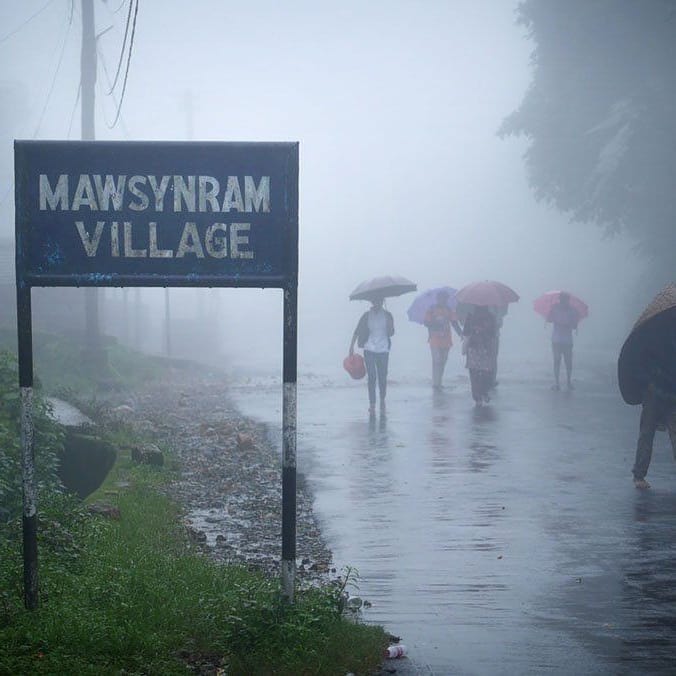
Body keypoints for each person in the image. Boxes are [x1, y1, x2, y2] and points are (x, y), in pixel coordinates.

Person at [631, 315, 676, 489]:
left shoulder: (654, 331)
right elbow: (639, 362)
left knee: (654, 434)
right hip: (655, 393)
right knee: (647, 434)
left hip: (670, 393)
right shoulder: (651, 335)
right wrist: (648, 383)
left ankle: (639, 475)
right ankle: (639, 475)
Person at [349, 294, 394, 416]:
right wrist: (351, 347)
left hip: (383, 349)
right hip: (369, 349)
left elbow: (391, 333)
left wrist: (390, 323)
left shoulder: (388, 315)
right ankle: (372, 404)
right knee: (372, 376)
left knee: (383, 376)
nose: (377, 303)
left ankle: (382, 399)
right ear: (372, 302)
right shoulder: (366, 316)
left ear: (382, 301)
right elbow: (357, 331)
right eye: (375, 301)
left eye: (379, 300)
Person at [423, 290, 463, 390]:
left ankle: (439, 381)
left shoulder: (449, 310)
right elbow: (426, 323)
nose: (443, 301)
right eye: (441, 299)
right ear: (437, 299)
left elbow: (454, 323)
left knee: (443, 361)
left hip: (446, 341)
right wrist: (436, 323)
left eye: (445, 299)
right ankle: (435, 383)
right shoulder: (431, 309)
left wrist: (461, 334)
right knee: (436, 361)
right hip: (434, 340)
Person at [462, 305, 498, 405]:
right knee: (485, 372)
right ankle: (482, 393)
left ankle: (478, 396)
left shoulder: (471, 316)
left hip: (475, 349)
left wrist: (481, 330)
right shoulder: (490, 317)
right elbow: (493, 334)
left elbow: (465, 332)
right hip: (483, 348)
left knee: (474, 373)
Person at [547, 292, 579, 390]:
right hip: (560, 340)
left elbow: (574, 326)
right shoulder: (556, 309)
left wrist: (569, 323)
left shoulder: (572, 311)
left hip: (563, 340)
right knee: (560, 361)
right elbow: (549, 320)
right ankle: (559, 382)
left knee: (565, 362)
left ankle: (565, 382)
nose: (563, 302)